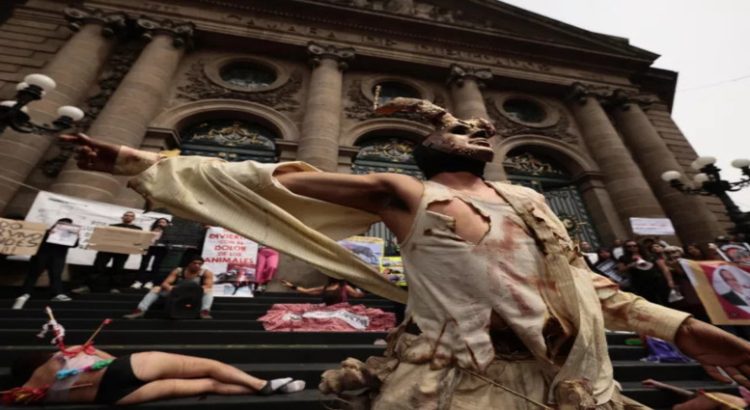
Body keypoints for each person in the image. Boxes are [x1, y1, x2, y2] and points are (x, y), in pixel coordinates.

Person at [62, 98, 750, 408]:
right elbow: (262, 178)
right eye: (456, 132)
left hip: (563, 386)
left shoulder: (531, 201)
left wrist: (687, 330)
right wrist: (133, 156)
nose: (474, 128)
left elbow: (586, 291)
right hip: (459, 387)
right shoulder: (404, 191)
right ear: (429, 154)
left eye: (479, 131)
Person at [5, 345, 304, 405]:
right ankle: (262, 384)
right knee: (209, 366)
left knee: (209, 384)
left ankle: (276, 389)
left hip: (114, 397)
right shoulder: (61, 354)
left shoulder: (29, 394)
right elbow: (102, 358)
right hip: (125, 368)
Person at [12, 218, 80, 310]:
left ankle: (57, 294)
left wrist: (76, 236)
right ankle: (25, 293)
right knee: (34, 273)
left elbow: (74, 245)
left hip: (58, 258)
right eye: (64, 224)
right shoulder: (48, 231)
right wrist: (49, 234)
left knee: (56, 275)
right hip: (42, 256)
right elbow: (36, 240)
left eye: (69, 224)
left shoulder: (70, 235)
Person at [72, 211, 142, 294]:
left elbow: (138, 242)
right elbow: (103, 236)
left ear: (133, 218)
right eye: (126, 215)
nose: (128, 217)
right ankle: (87, 287)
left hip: (123, 251)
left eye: (130, 216)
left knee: (118, 269)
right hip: (107, 249)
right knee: (98, 267)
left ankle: (114, 288)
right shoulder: (112, 226)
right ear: (122, 217)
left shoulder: (138, 229)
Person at [123, 256, 214, 320]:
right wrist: (171, 288)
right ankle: (140, 310)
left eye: (199, 264)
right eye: (194, 263)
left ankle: (204, 312)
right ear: (189, 264)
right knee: (156, 289)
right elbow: (165, 283)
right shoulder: (179, 271)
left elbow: (208, 285)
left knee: (209, 291)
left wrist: (190, 289)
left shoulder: (205, 273)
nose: (197, 265)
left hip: (193, 294)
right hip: (178, 292)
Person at [617, 240, 671, 305]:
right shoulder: (623, 258)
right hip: (640, 284)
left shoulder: (649, 255)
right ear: (626, 248)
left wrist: (670, 281)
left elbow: (664, 268)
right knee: (651, 302)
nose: (632, 247)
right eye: (629, 246)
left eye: (635, 245)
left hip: (657, 280)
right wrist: (630, 266)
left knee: (665, 300)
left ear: (639, 246)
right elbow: (620, 270)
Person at [130, 217, 171, 290]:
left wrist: (167, 229)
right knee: (144, 264)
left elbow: (169, 241)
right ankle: (139, 281)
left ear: (167, 224)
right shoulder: (152, 229)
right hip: (149, 247)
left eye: (163, 222)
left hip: (161, 249)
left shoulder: (169, 232)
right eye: (159, 222)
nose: (161, 223)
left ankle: (150, 281)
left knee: (156, 265)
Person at [281, 277, 365, 305]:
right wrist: (291, 286)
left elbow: (357, 295)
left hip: (341, 311)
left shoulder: (345, 287)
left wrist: (366, 288)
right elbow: (307, 291)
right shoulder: (325, 288)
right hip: (327, 311)